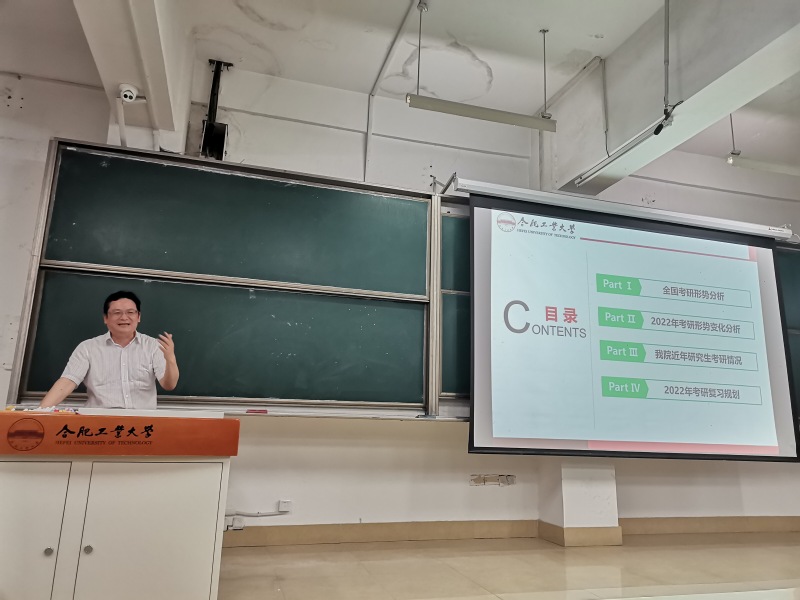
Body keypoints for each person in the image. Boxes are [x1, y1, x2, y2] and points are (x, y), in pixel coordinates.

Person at [39, 290, 179, 409]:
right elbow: (67, 382)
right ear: (105, 318)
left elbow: (169, 385)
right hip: (100, 424)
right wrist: (39, 413)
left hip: (142, 424)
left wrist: (170, 360)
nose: (124, 317)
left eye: (130, 312)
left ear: (138, 317)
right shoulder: (87, 348)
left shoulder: (154, 346)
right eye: (117, 313)